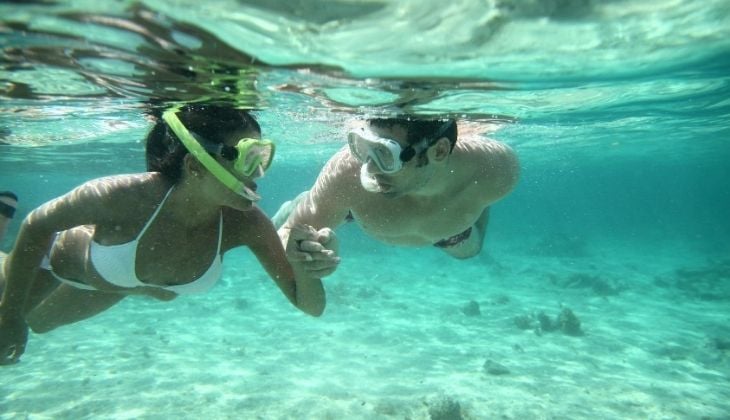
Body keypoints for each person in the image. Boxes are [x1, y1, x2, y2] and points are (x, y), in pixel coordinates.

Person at [0, 104, 326, 365]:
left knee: (41, 324)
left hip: (118, 283)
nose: (257, 175)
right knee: (12, 313)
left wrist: (307, 269)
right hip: (52, 260)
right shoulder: (124, 195)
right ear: (195, 166)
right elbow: (35, 226)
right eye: (247, 157)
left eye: (262, 158)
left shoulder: (246, 223)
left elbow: (309, 305)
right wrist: (10, 315)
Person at [274, 116, 519, 277]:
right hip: (358, 209)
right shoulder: (348, 172)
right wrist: (307, 255)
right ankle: (299, 201)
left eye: (386, 154)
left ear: (440, 150)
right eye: (364, 147)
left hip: (450, 225)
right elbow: (287, 233)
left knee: (470, 252)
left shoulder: (496, 169)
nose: (369, 168)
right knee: (314, 206)